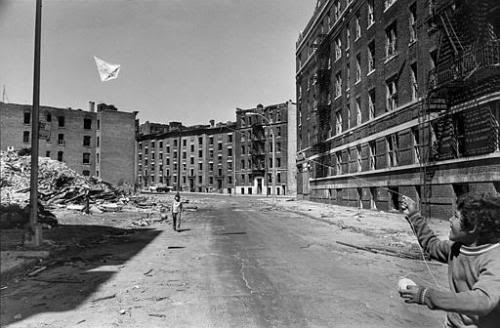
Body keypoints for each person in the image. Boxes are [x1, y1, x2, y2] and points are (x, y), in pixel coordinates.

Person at [400, 192, 500, 328]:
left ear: (473, 227)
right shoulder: (456, 248)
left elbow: (483, 300)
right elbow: (431, 245)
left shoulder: (495, 258)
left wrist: (428, 296)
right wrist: (413, 215)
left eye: (456, 216)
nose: (450, 220)